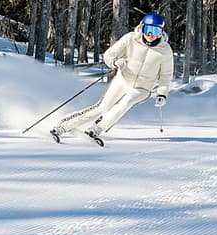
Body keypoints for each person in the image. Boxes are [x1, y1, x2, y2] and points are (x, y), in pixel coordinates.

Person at [50, 13, 174, 143]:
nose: (150, 34)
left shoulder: (165, 50)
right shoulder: (130, 39)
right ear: (141, 28)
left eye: (155, 30)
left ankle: (97, 129)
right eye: (147, 29)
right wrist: (115, 62)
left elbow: (166, 75)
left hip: (143, 88)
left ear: (161, 32)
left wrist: (162, 94)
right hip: (123, 80)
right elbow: (109, 54)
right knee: (102, 108)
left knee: (126, 102)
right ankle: (64, 126)